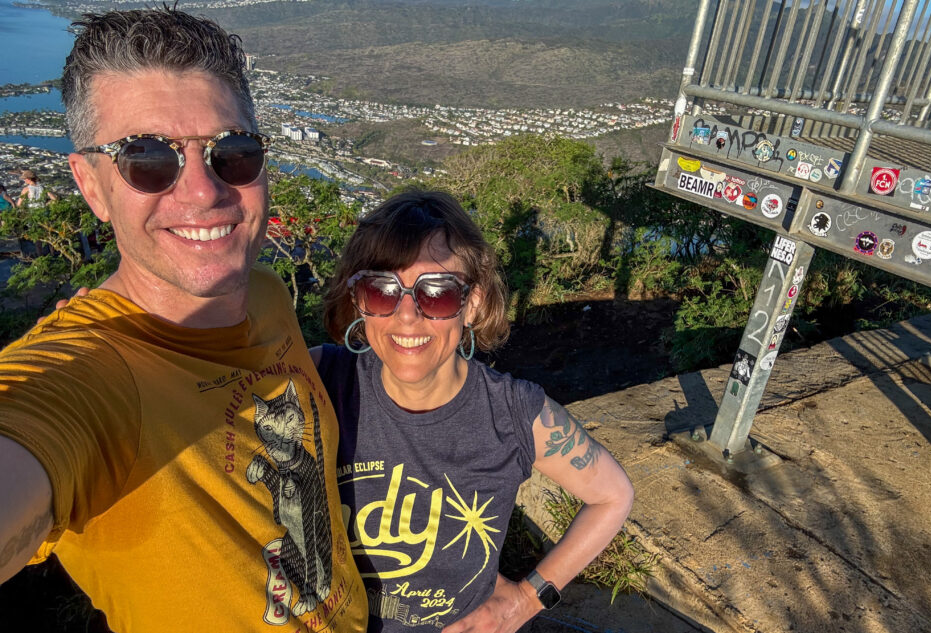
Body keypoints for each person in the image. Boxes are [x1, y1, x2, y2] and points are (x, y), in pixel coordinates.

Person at [0, 8, 367, 632]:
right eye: (145, 157)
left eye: (233, 152)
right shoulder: (87, 376)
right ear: (91, 185)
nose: (203, 192)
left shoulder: (267, 295)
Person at [313, 190, 635, 632]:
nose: (407, 317)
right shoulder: (318, 380)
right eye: (381, 290)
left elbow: (613, 496)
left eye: (438, 294)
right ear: (357, 300)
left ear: (473, 304)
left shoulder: (514, 414)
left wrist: (524, 601)